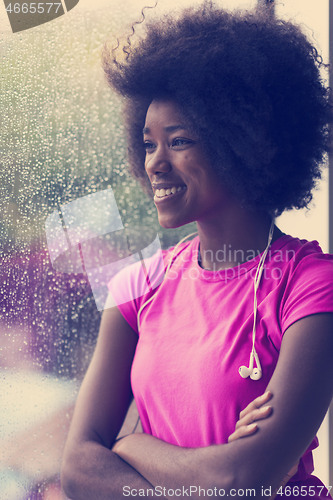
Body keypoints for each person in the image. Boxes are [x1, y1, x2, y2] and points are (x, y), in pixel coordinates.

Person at [61, 2, 333, 498]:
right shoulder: (137, 288)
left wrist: (130, 446)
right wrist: (198, 477)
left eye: (179, 140)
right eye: (148, 144)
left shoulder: (312, 285)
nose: (155, 164)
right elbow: (78, 469)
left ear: (244, 142)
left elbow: (243, 479)